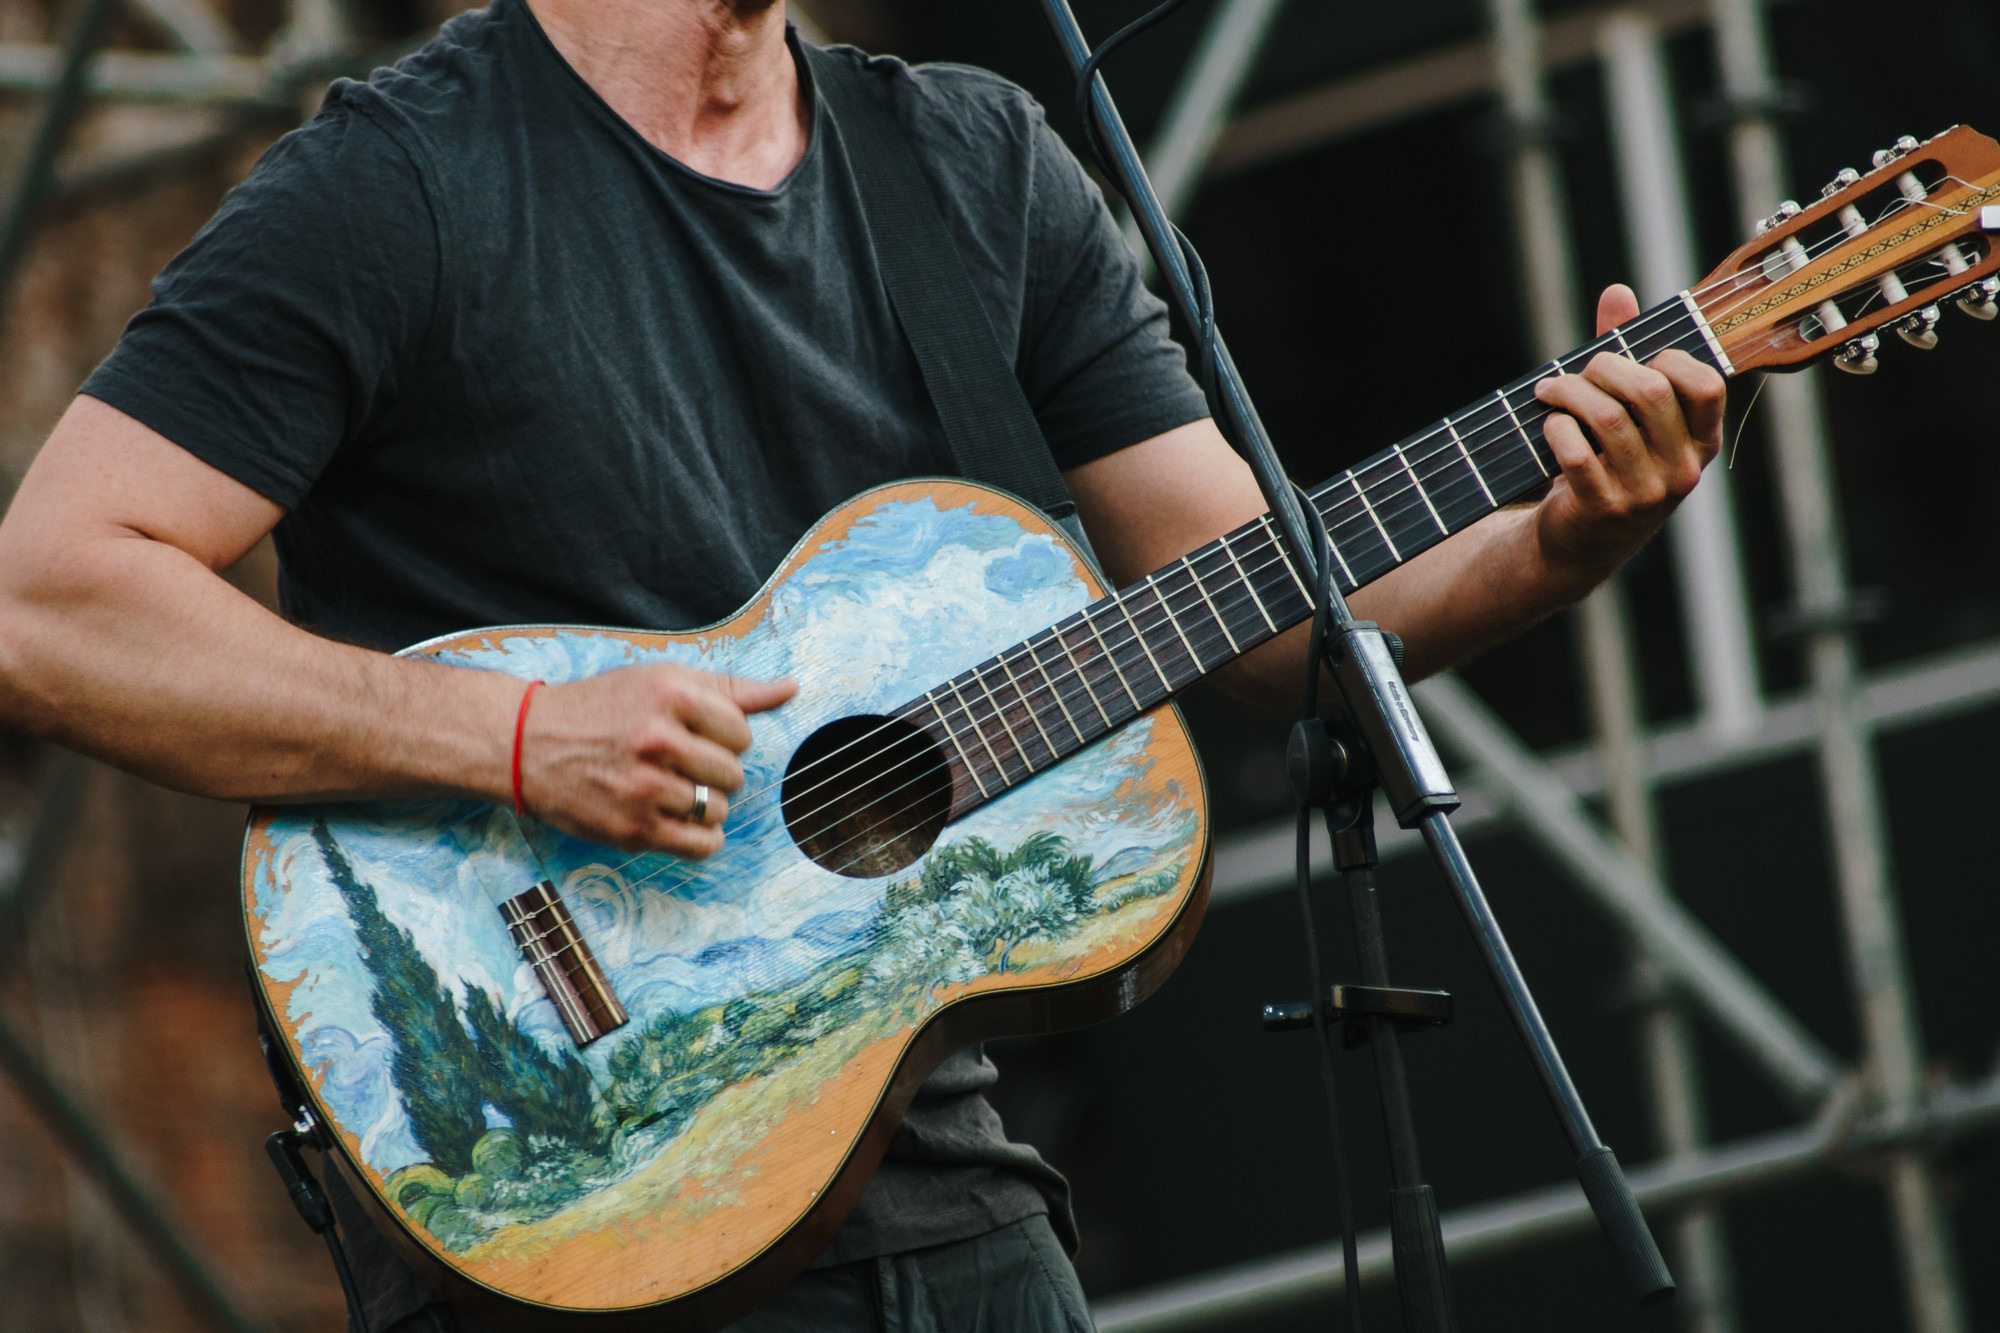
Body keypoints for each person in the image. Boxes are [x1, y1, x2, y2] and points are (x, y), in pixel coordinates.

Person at [0, 0, 1724, 1329]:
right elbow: (51, 598)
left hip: (952, 1198)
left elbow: (1271, 613)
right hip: (570, 1190)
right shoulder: (396, 189)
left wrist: (1571, 536)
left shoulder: (974, 166)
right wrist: (520, 737)